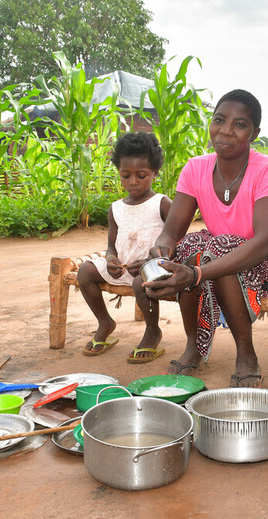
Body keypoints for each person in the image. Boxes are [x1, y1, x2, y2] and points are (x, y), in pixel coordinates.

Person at [141, 89, 268, 388]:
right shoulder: (196, 168)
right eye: (219, 120)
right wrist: (162, 249)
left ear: (254, 133)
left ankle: (246, 353)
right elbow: (173, 230)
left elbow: (266, 240)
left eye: (240, 125)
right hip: (220, 252)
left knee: (214, 251)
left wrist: (197, 274)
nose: (226, 131)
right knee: (191, 245)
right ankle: (194, 345)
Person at [77, 132, 171, 363]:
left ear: (155, 173)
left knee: (142, 281)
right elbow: (111, 245)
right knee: (85, 271)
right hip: (122, 270)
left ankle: (152, 331)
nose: (133, 182)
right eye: (125, 175)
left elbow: (174, 241)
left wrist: (155, 261)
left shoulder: (162, 203)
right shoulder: (115, 208)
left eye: (141, 175)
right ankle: (105, 322)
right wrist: (110, 261)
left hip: (152, 272)